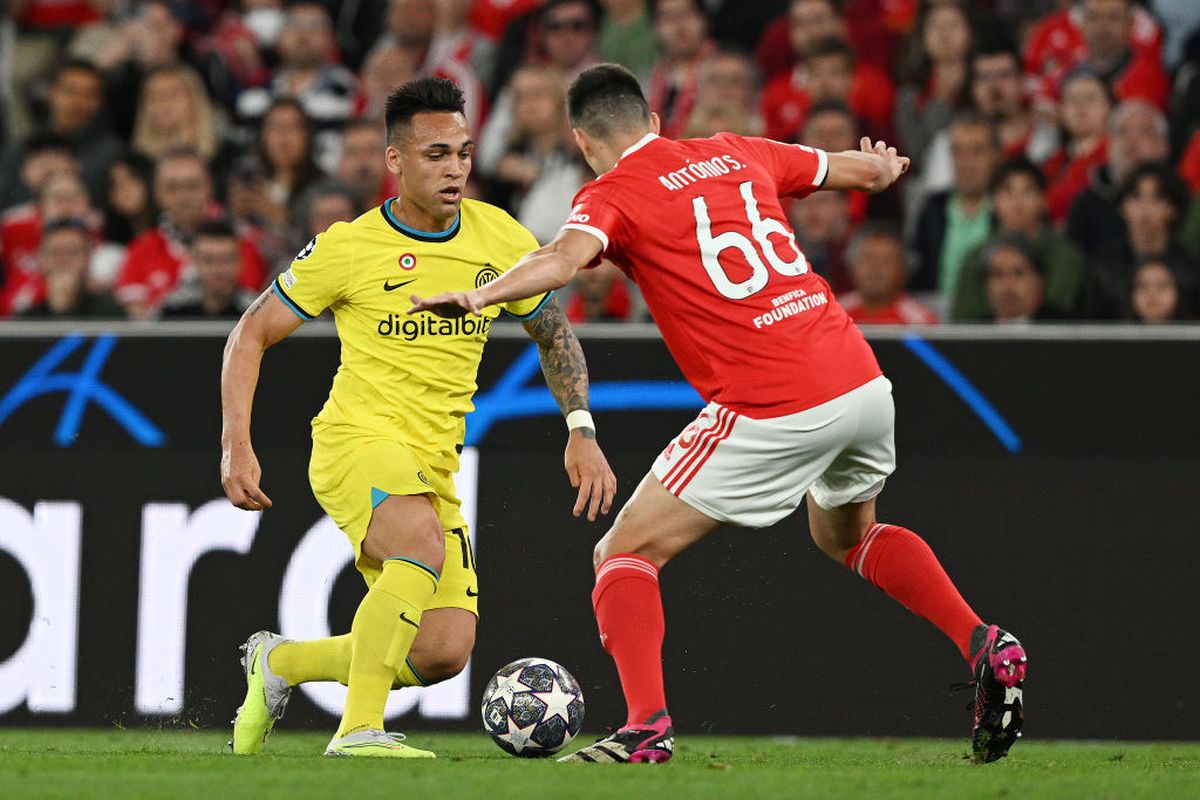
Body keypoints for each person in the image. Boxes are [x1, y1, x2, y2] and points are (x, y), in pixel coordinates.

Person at [410, 63, 1027, 766]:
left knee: (623, 552)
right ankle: (982, 640)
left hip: (774, 400)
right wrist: (882, 170)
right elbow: (847, 169)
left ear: (584, 142)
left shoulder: (610, 192)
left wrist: (480, 296)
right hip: (859, 381)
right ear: (653, 120)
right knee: (848, 535)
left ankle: (646, 727)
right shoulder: (737, 150)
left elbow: (560, 260)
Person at [220, 77, 616, 759]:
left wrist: (581, 430)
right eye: (436, 155)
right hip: (357, 440)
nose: (456, 169)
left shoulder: (500, 236)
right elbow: (250, 332)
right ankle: (358, 732)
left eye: (463, 153)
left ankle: (280, 665)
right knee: (419, 545)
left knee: (440, 652)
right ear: (395, 160)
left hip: (435, 460)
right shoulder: (349, 246)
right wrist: (236, 445)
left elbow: (552, 332)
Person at [16, 218, 123, 319]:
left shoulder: (110, 312)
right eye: (55, 252)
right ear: (40, 259)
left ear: (88, 258)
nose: (64, 261)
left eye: (73, 252)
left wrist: (65, 307)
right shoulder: (26, 317)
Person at [839, 222, 938, 325]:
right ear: (852, 266)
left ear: (903, 270)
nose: (876, 268)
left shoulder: (920, 322)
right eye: (868, 259)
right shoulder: (833, 313)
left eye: (886, 260)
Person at [161, 219, 259, 319]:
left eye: (226, 260)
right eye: (208, 260)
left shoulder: (257, 311)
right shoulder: (173, 307)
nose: (218, 269)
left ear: (240, 261)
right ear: (194, 261)